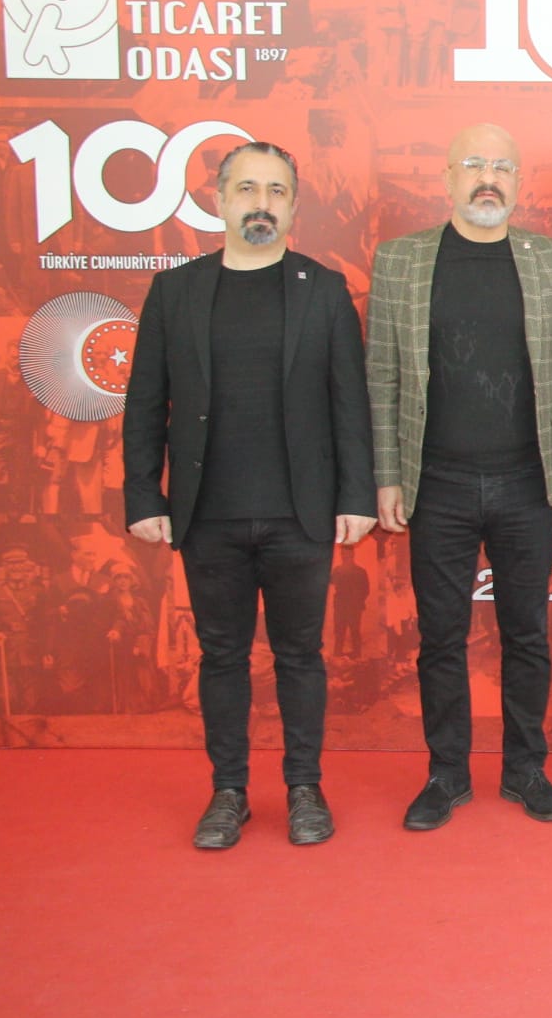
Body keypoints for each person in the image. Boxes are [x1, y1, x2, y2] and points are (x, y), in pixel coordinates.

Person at [122, 140, 374, 848]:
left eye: (276, 191)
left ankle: (304, 788)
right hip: (207, 514)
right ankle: (228, 791)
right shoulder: (175, 290)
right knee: (222, 657)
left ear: (293, 206)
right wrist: (144, 496)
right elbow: (145, 402)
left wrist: (356, 494)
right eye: (247, 189)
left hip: (302, 513)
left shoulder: (324, 289)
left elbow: (349, 403)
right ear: (219, 199)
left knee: (301, 656)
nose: (261, 204)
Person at [367, 123, 552, 830]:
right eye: (473, 164)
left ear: (518, 182)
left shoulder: (550, 260)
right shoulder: (400, 260)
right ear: (447, 178)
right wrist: (386, 476)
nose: (487, 177)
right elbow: (381, 376)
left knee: (528, 636)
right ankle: (447, 774)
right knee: (441, 638)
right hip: (437, 484)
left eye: (501, 166)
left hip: (529, 482)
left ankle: (526, 771)